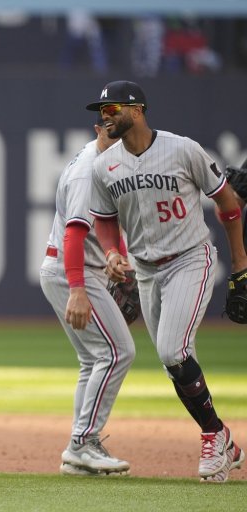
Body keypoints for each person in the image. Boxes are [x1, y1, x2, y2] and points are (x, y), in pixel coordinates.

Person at [86, 80, 246, 482]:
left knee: (174, 351)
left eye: (112, 109)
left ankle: (212, 437)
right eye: (102, 111)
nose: (105, 117)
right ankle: (222, 437)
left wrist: (241, 264)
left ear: (137, 110)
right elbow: (104, 219)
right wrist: (112, 252)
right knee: (171, 361)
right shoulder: (104, 165)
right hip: (145, 269)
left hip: (190, 258)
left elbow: (228, 203)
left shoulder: (182, 149)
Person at [40, 115, 135, 477]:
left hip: (73, 270)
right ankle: (83, 443)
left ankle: (78, 452)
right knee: (118, 352)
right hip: (73, 272)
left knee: (92, 359)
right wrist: (78, 289)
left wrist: (116, 255)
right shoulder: (87, 172)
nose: (118, 138)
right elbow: (74, 234)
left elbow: (107, 223)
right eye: (110, 130)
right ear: (97, 130)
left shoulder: (110, 163)